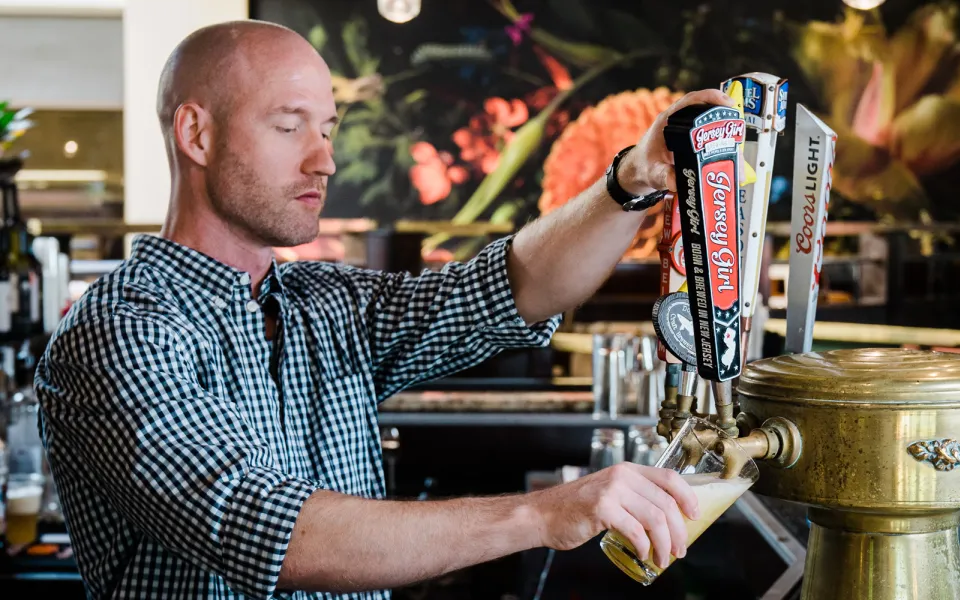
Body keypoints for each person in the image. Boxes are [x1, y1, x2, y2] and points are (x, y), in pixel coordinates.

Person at [34, 19, 737, 600]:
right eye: (289, 127)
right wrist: (546, 513)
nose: (324, 161)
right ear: (198, 135)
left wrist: (630, 181)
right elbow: (272, 534)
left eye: (328, 129)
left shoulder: (326, 303)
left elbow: (503, 293)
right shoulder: (121, 331)